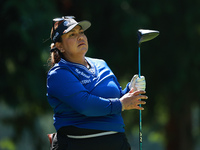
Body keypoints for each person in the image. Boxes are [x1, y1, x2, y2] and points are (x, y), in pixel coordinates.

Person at [47, 16, 148, 150]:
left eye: (81, 32)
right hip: (78, 144)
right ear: (60, 46)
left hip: (117, 143)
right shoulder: (58, 74)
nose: (80, 37)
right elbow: (85, 105)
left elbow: (117, 97)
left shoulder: (101, 64)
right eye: (72, 34)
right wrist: (122, 104)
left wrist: (130, 89)